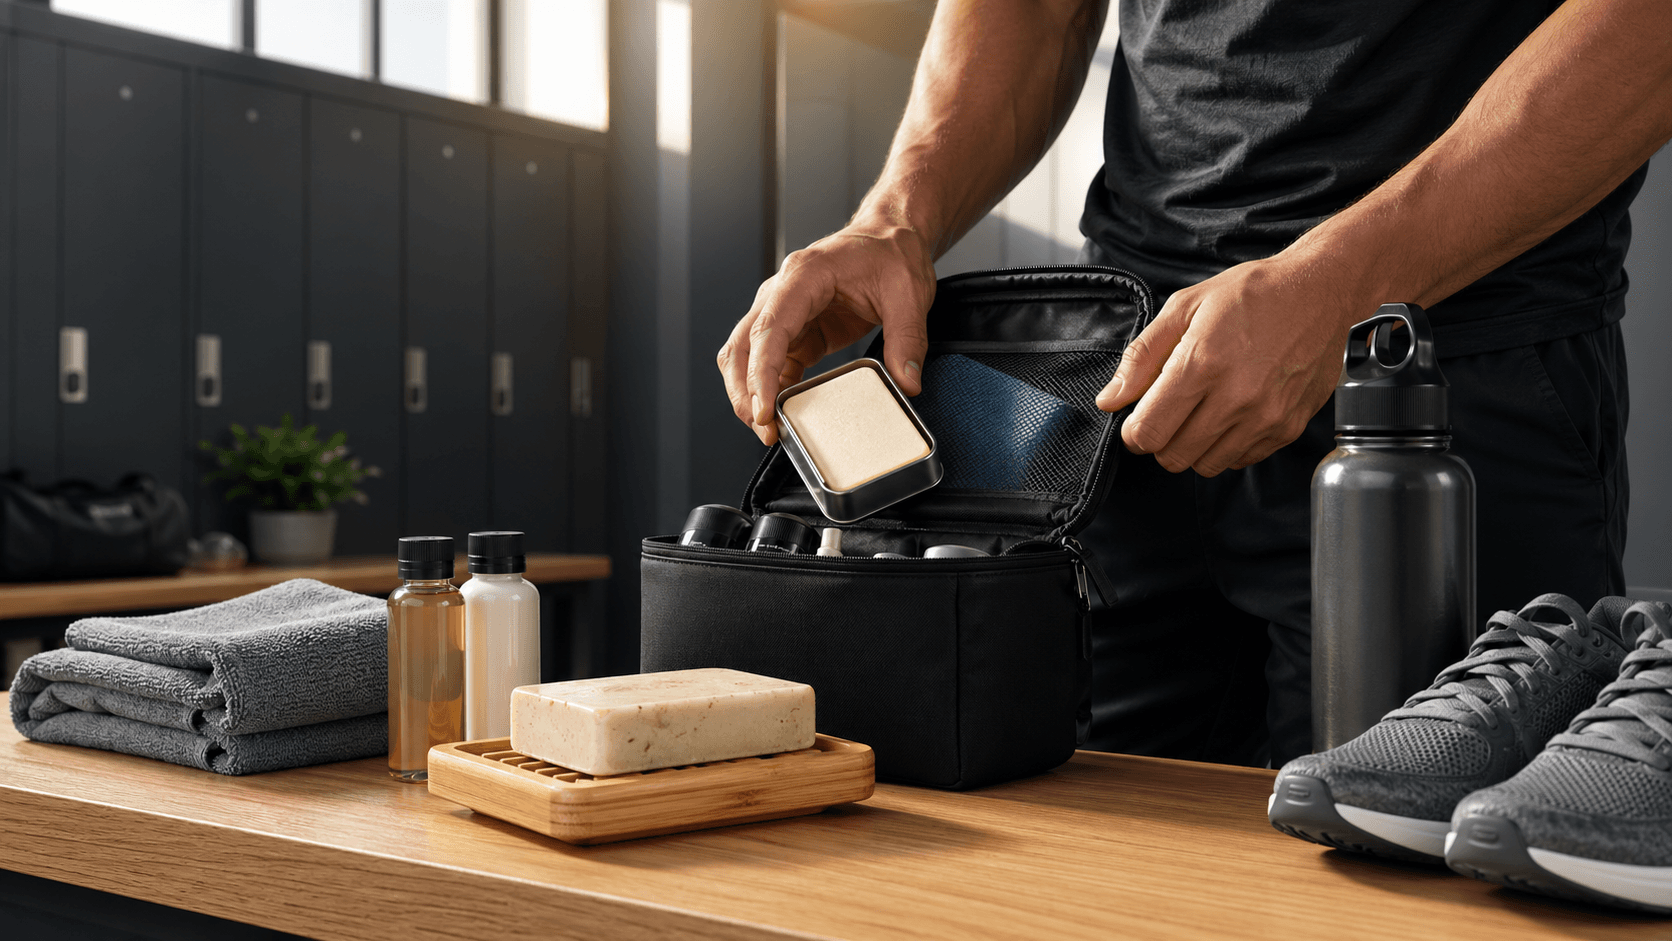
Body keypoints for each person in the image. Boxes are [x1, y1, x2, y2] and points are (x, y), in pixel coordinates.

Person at [716, 0, 1672, 767]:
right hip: (1128, 395)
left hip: (1439, 373)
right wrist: (897, 217)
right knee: (1104, 881)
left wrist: (1342, 282)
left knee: (1429, 887)